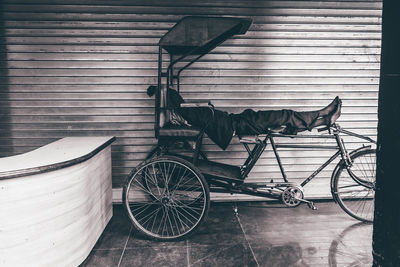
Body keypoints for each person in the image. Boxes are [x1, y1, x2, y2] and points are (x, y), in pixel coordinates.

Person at [147, 86, 342, 150]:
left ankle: (324, 119)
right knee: (286, 115)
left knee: (286, 120)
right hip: (241, 124)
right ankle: (323, 113)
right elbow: (175, 101)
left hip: (241, 120)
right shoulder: (186, 112)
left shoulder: (187, 111)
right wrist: (160, 91)